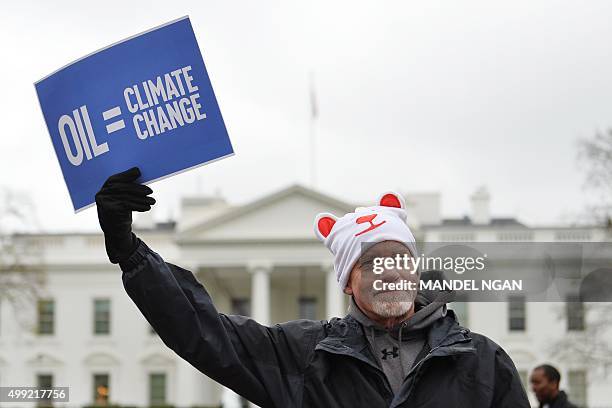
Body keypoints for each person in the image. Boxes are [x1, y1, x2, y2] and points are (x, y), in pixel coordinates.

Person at [95, 167, 530, 408]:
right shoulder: (307, 357)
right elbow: (203, 333)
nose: (391, 271)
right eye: (372, 263)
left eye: (400, 258)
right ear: (347, 282)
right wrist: (129, 251)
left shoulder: (483, 362)